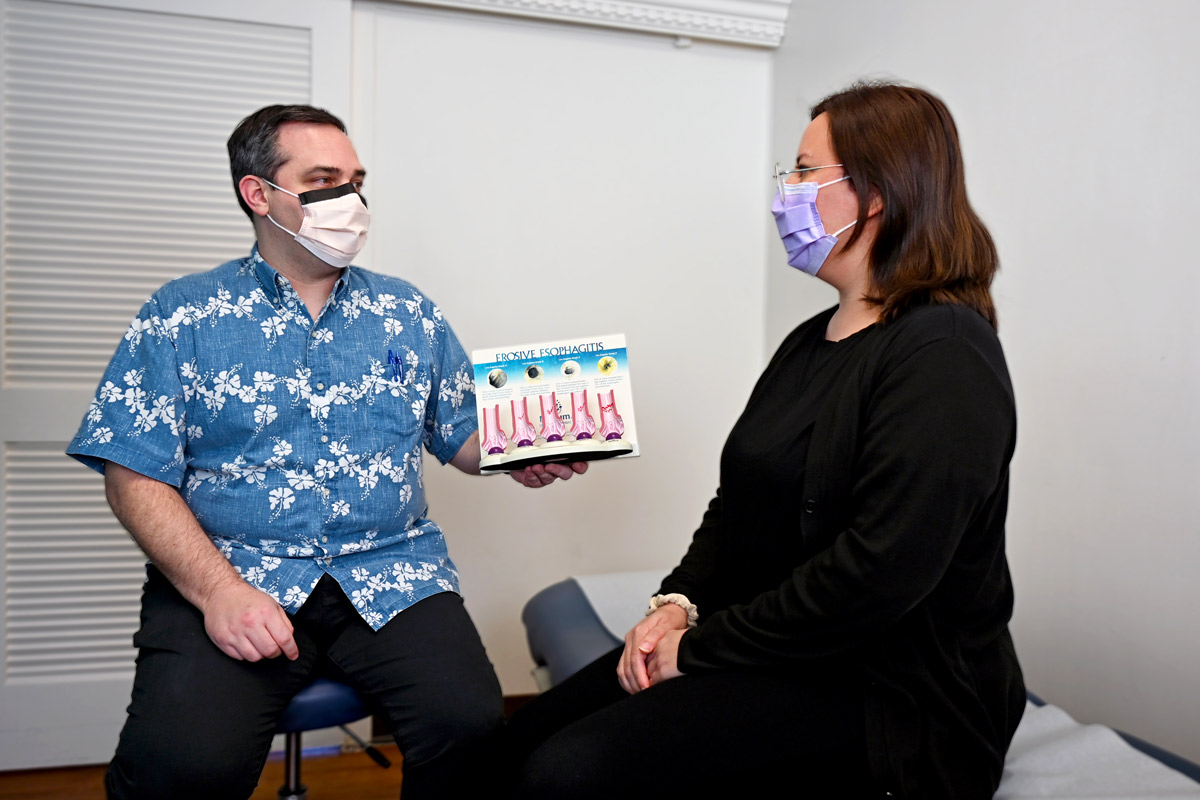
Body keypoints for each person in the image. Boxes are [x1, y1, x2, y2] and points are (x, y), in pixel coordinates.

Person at [503, 81, 1025, 799]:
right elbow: (737, 503)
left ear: (877, 194)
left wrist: (701, 651)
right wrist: (675, 605)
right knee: (512, 746)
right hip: (775, 647)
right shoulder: (809, 342)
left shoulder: (945, 352)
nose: (787, 193)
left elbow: (879, 574)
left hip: (888, 695)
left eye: (806, 173)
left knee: (567, 773)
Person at [67, 104, 585, 800]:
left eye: (357, 180)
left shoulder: (409, 313)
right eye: (324, 180)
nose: (352, 201)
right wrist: (218, 592)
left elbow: (460, 430)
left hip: (391, 569)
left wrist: (519, 454)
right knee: (179, 770)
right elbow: (132, 472)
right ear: (260, 194)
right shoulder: (182, 315)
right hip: (233, 571)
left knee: (470, 728)